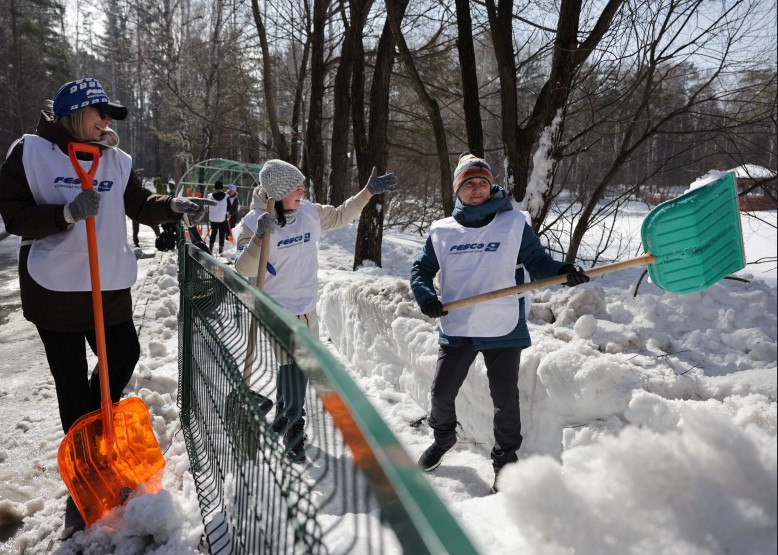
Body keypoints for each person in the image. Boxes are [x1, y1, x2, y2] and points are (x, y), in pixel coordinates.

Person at [0, 77, 214, 438]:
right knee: (71, 381)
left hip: (108, 283)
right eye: (100, 114)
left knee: (124, 354)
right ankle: (84, 453)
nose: (106, 122)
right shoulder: (29, 152)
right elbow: (13, 216)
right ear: (75, 113)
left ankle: (97, 421)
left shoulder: (116, 160)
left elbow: (139, 203)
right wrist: (63, 214)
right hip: (54, 289)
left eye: (110, 117)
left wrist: (173, 206)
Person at [410, 152, 589, 493]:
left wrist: (562, 272)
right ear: (457, 190)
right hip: (458, 324)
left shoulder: (513, 224)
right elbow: (421, 270)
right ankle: (444, 436)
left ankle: (505, 461)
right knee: (441, 394)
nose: (476, 189)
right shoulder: (441, 231)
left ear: (491, 186)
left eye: (482, 183)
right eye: (469, 183)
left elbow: (537, 263)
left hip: (502, 323)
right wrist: (426, 297)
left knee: (504, 400)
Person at [235, 159, 397, 463]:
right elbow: (242, 267)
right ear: (279, 191)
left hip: (306, 306)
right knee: (299, 367)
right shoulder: (255, 221)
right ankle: (295, 428)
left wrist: (367, 193)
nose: (303, 190)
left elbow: (337, 216)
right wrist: (258, 238)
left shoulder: (307, 211)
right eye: (297, 187)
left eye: (302, 185)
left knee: (291, 366)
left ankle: (283, 413)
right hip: (276, 310)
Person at [207, 180, 230, 255]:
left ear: (215, 188)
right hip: (222, 218)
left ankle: (210, 248)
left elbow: (207, 207)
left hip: (213, 218)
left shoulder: (210, 196)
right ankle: (221, 250)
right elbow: (229, 208)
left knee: (213, 233)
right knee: (222, 233)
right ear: (222, 188)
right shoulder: (226, 196)